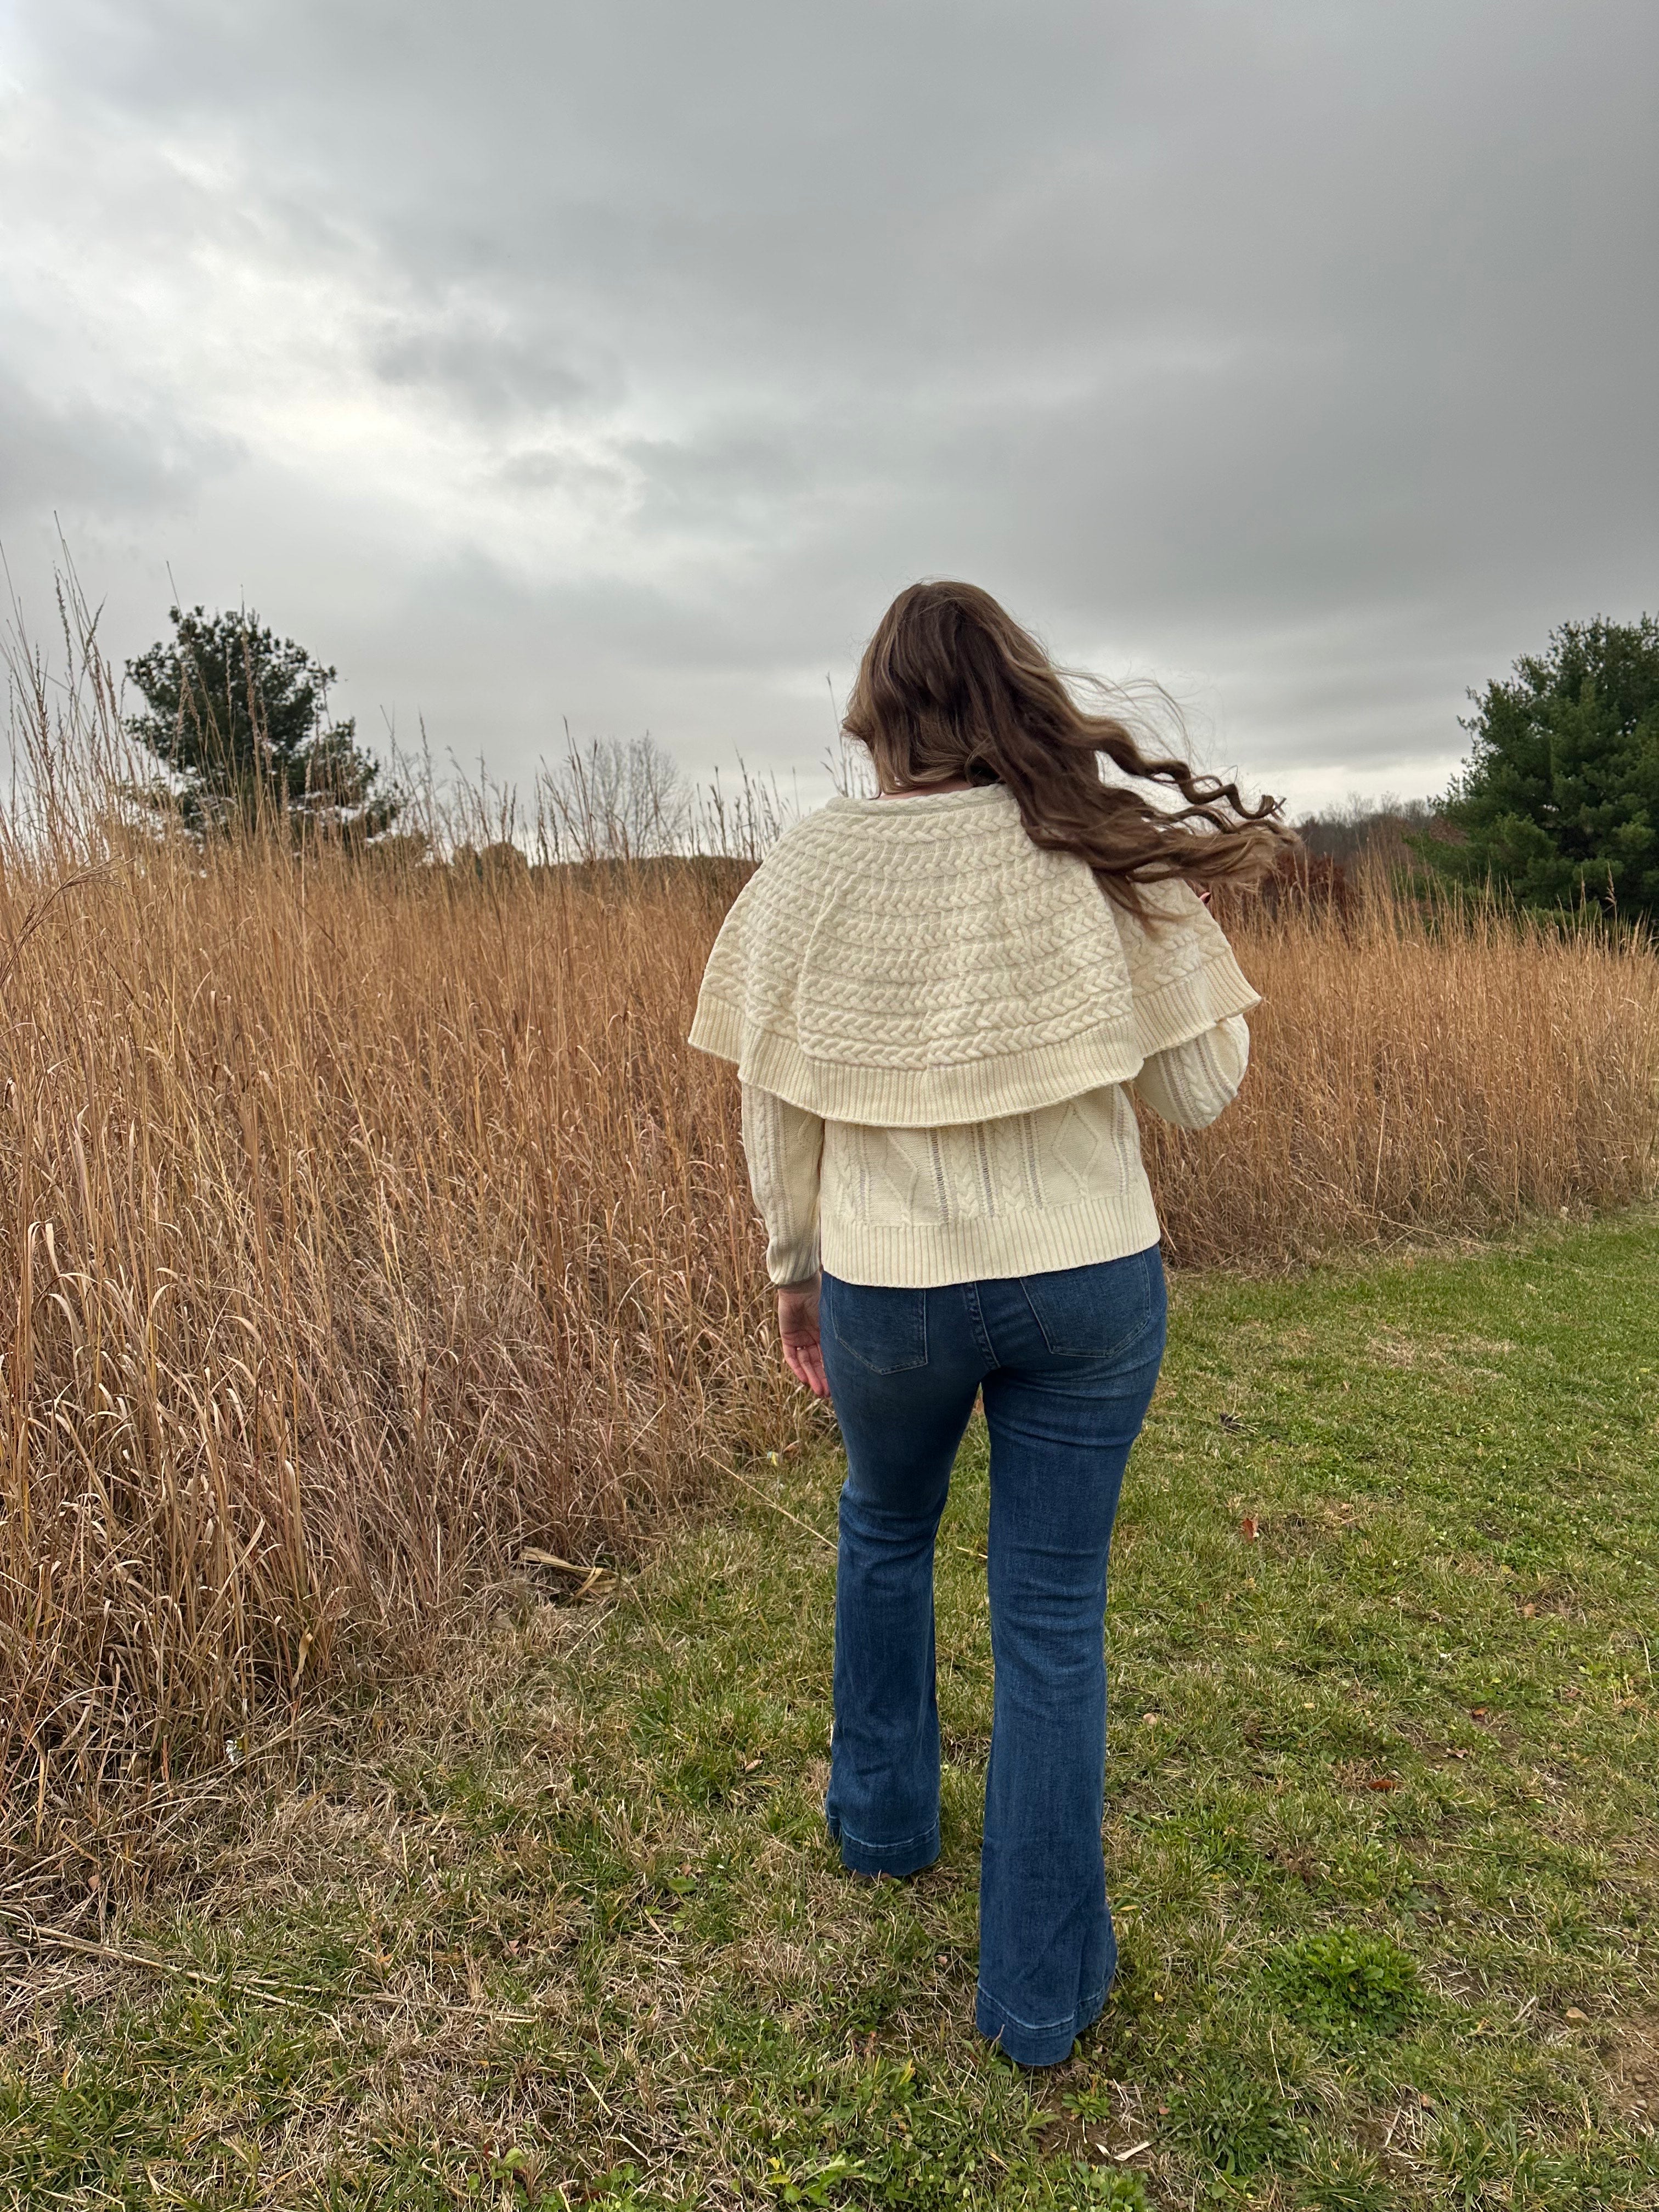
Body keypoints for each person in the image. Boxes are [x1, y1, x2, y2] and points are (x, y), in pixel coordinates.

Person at [689, 580, 1291, 2068]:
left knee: (885, 1527)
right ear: (1012, 698)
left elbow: (778, 1101)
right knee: (1050, 1612)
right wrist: (1193, 947)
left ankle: (884, 1825)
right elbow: (1199, 1097)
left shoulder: (810, 868)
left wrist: (792, 1271)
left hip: (889, 1287)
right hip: (1089, 1280)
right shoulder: (1090, 857)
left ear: (879, 721)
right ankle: (1037, 1999)